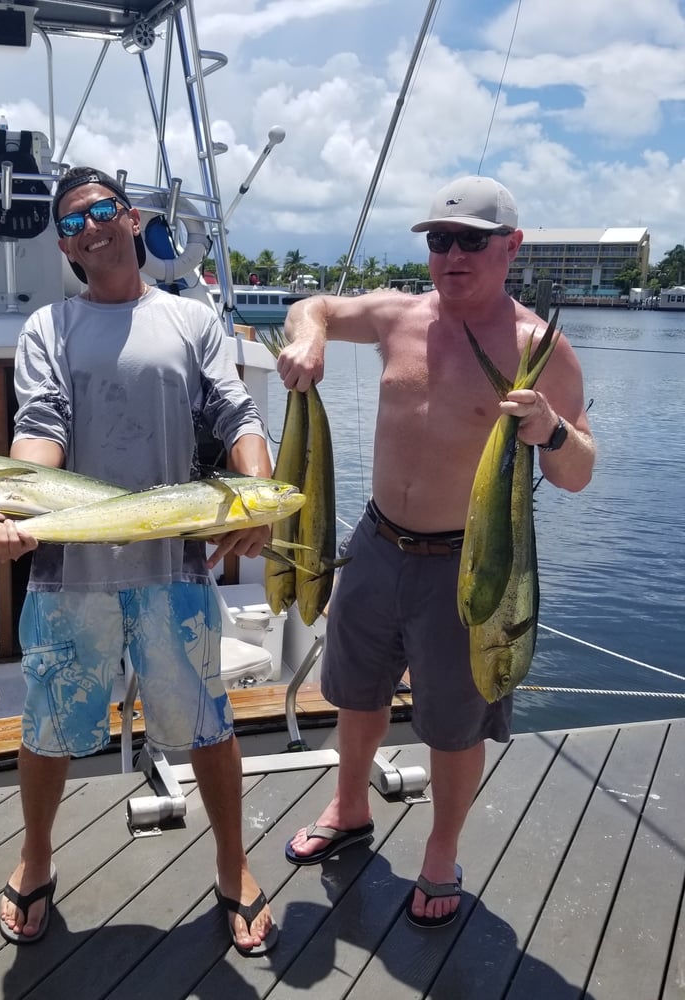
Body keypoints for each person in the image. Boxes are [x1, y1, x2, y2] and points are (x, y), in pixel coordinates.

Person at [0, 166, 278, 955]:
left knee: (208, 728)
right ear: (65, 243)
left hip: (172, 571)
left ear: (133, 218)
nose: (90, 227)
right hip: (69, 578)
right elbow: (41, 425)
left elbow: (234, 410)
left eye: (103, 210)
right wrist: (13, 507)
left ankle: (233, 863)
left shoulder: (190, 319)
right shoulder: (49, 327)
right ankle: (36, 858)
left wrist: (259, 494)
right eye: (72, 221)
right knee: (44, 732)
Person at [279, 176, 595, 927]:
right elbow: (313, 306)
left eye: (471, 241)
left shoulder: (539, 348)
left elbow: (577, 473)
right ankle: (349, 806)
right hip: (375, 541)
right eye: (439, 240)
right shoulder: (397, 315)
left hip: (472, 564)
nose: (451, 254)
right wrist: (310, 335)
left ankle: (440, 852)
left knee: (455, 724)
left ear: (510, 247)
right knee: (355, 692)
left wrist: (551, 428)